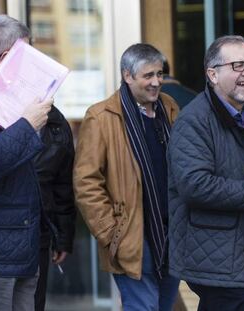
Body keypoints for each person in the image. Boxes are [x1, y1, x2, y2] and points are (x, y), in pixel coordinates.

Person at [167, 35, 244, 311]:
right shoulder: (194, 121)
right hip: (213, 253)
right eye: (238, 65)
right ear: (212, 74)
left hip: (239, 247)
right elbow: (196, 186)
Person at [73, 43, 180, 311]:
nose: (156, 82)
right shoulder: (100, 117)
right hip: (132, 237)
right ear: (127, 76)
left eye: (159, 74)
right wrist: (111, 234)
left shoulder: (169, 107)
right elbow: (86, 182)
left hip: (172, 235)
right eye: (148, 76)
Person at [0, 15, 53, 311]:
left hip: (23, 243)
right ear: (2, 58)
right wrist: (27, 125)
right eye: (26, 52)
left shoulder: (15, 95)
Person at [33, 106, 76, 310]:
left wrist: (63, 238)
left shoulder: (56, 124)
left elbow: (63, 187)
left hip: (38, 232)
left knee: (33, 303)